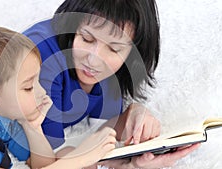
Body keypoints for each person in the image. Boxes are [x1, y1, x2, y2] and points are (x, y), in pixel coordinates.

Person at [22, 0, 200, 168]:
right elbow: (46, 161)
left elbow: (102, 131)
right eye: (86, 39)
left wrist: (134, 115)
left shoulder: (109, 72)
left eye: (114, 49)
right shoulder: (41, 55)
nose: (93, 60)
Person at [0, 25, 117, 169]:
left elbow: (40, 163)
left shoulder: (8, 112)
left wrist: (34, 127)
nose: (43, 92)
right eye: (28, 87)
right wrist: (80, 159)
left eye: (38, 82)